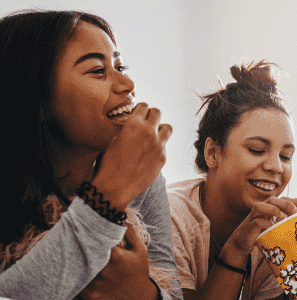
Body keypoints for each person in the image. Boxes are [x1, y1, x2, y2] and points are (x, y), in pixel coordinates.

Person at [0, 9, 181, 300]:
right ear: (36, 99)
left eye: (120, 68)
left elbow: (172, 289)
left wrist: (146, 294)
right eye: (98, 70)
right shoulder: (125, 180)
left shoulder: (144, 180)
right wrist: (108, 196)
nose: (127, 85)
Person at [168, 60, 297, 300]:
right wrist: (237, 248)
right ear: (213, 153)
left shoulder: (274, 233)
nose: (275, 166)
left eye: (286, 156)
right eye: (256, 149)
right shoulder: (169, 216)